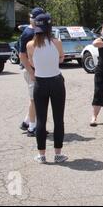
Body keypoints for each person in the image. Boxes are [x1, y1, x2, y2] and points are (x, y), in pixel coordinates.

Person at [26, 13, 67, 164]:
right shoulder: (57, 42)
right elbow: (62, 58)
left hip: (40, 83)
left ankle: (42, 155)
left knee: (41, 119)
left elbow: (32, 62)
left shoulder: (30, 45)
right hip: (56, 81)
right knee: (58, 119)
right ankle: (58, 154)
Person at [19, 7, 45, 137]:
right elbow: (22, 56)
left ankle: (26, 122)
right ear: (33, 19)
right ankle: (32, 128)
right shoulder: (29, 33)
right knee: (35, 100)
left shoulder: (35, 31)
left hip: (35, 70)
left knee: (34, 99)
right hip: (30, 71)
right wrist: (31, 72)